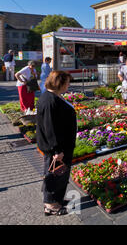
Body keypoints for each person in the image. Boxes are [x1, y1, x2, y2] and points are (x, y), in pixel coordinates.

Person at [36, 71, 76, 216]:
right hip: (56, 148)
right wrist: (57, 150)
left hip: (61, 146)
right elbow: (49, 128)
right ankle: (51, 205)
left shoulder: (51, 96)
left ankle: (56, 199)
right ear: (59, 83)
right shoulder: (49, 100)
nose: (68, 85)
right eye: (67, 82)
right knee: (53, 174)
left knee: (60, 174)